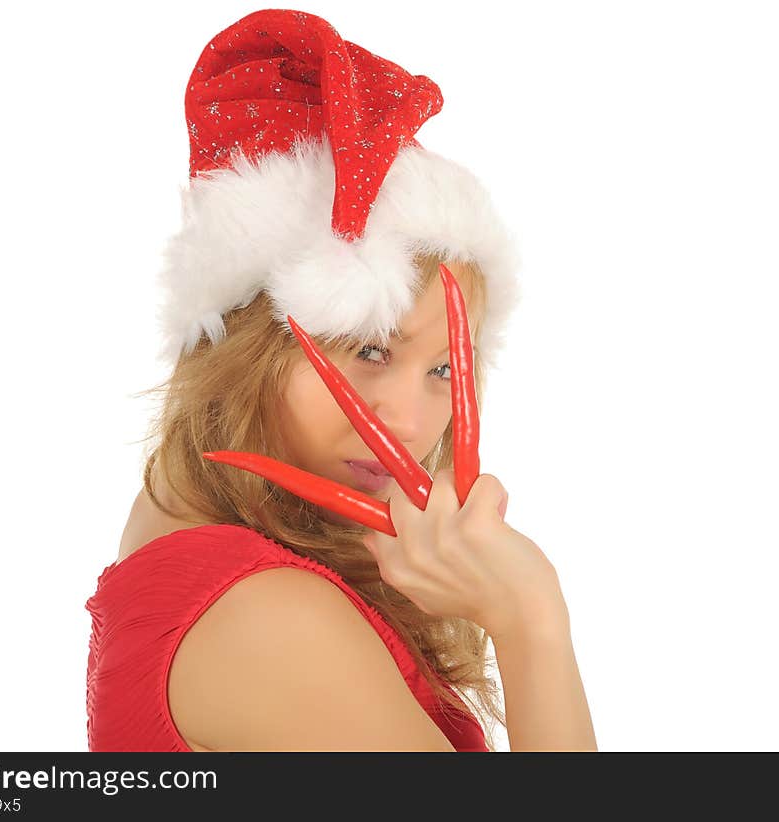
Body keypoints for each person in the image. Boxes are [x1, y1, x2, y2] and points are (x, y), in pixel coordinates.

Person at [85, 8, 597, 752]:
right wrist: (533, 625)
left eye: (444, 368)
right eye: (369, 351)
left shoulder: (195, 506)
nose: (412, 425)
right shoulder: (266, 617)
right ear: (248, 336)